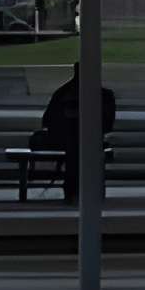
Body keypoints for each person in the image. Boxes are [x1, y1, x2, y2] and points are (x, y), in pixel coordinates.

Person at [34, 65, 119, 205]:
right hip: (71, 139)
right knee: (75, 145)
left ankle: (73, 189)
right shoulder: (65, 93)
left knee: (76, 145)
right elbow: (49, 120)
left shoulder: (65, 93)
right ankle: (77, 188)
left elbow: (107, 123)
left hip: (81, 139)